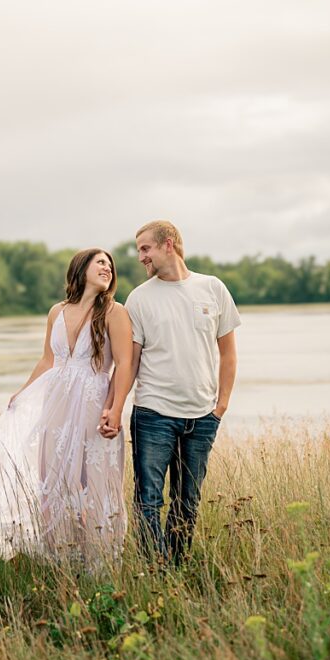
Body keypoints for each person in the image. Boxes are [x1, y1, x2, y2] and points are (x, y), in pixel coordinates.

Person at [0, 249, 134, 570]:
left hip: (93, 405)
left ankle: (100, 566)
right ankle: (62, 561)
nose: (107, 268)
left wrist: (116, 407)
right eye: (100, 262)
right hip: (55, 405)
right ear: (81, 269)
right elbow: (48, 360)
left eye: (110, 265)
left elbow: (124, 364)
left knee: (93, 486)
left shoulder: (114, 312)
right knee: (51, 482)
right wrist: (23, 391)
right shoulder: (57, 311)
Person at [117, 220, 239, 565]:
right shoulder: (139, 298)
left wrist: (221, 406)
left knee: (188, 502)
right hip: (153, 414)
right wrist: (114, 408)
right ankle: (154, 573)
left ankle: (177, 570)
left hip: (202, 417)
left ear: (168, 245)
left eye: (145, 248)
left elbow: (228, 352)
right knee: (149, 500)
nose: (141, 256)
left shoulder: (213, 288)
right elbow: (131, 362)